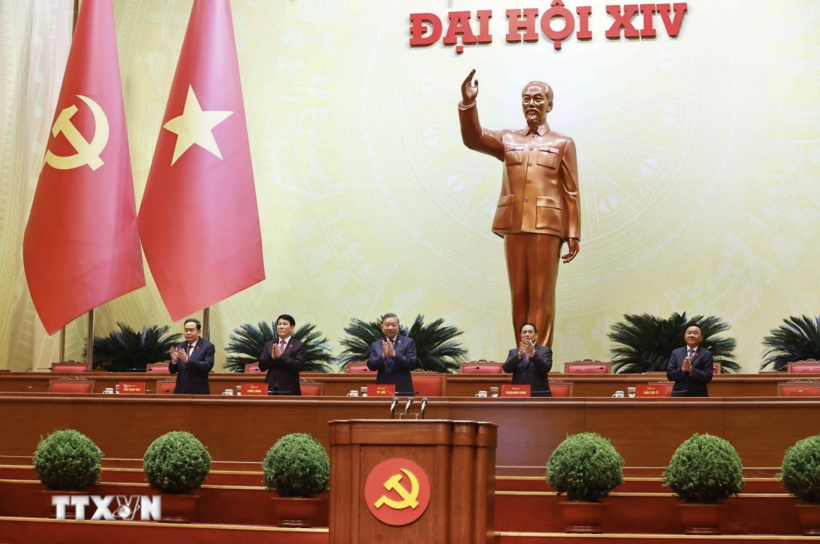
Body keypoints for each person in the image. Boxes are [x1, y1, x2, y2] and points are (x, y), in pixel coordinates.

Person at [458, 70, 581, 348]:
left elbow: (571, 190)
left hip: (547, 226)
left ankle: (540, 358)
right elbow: (473, 138)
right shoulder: (508, 139)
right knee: (519, 295)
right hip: (513, 224)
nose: (531, 104)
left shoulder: (563, 143)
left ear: (550, 105)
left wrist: (573, 232)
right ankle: (522, 358)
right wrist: (468, 104)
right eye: (526, 99)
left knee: (541, 295)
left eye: (538, 99)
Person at [367, 313, 417, 395]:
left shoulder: (408, 342)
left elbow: (412, 364)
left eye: (393, 325)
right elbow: (371, 366)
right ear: (382, 327)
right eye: (387, 325)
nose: (390, 327)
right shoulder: (376, 344)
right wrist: (383, 356)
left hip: (403, 389)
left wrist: (395, 355)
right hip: (382, 390)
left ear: (398, 326)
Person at [258, 314, 306, 395]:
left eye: (285, 324)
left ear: (292, 327)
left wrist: (281, 356)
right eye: (279, 324)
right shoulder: (269, 344)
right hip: (271, 389)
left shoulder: (298, 345)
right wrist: (272, 357)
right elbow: (262, 366)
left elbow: (300, 365)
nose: (281, 327)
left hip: (290, 389)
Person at [502, 323, 553, 397]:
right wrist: (519, 355)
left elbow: (546, 368)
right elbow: (506, 369)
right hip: (518, 394)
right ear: (520, 335)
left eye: (530, 332)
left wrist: (533, 353)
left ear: (536, 334)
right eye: (524, 332)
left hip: (539, 395)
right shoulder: (514, 352)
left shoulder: (545, 351)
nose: (527, 334)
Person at [169, 318, 215, 394]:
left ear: (199, 332)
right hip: (180, 391)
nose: (188, 333)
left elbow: (208, 366)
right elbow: (172, 371)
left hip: (198, 391)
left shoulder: (207, 346)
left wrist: (188, 361)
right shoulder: (180, 346)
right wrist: (174, 361)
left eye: (191, 330)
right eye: (186, 330)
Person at [667, 324, 714, 397]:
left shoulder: (707, 354)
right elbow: (670, 375)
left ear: (701, 338)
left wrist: (691, 370)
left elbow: (708, 377)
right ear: (685, 336)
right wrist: (682, 370)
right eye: (689, 333)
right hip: (678, 395)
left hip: (699, 395)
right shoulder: (676, 352)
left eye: (695, 333)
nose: (691, 335)